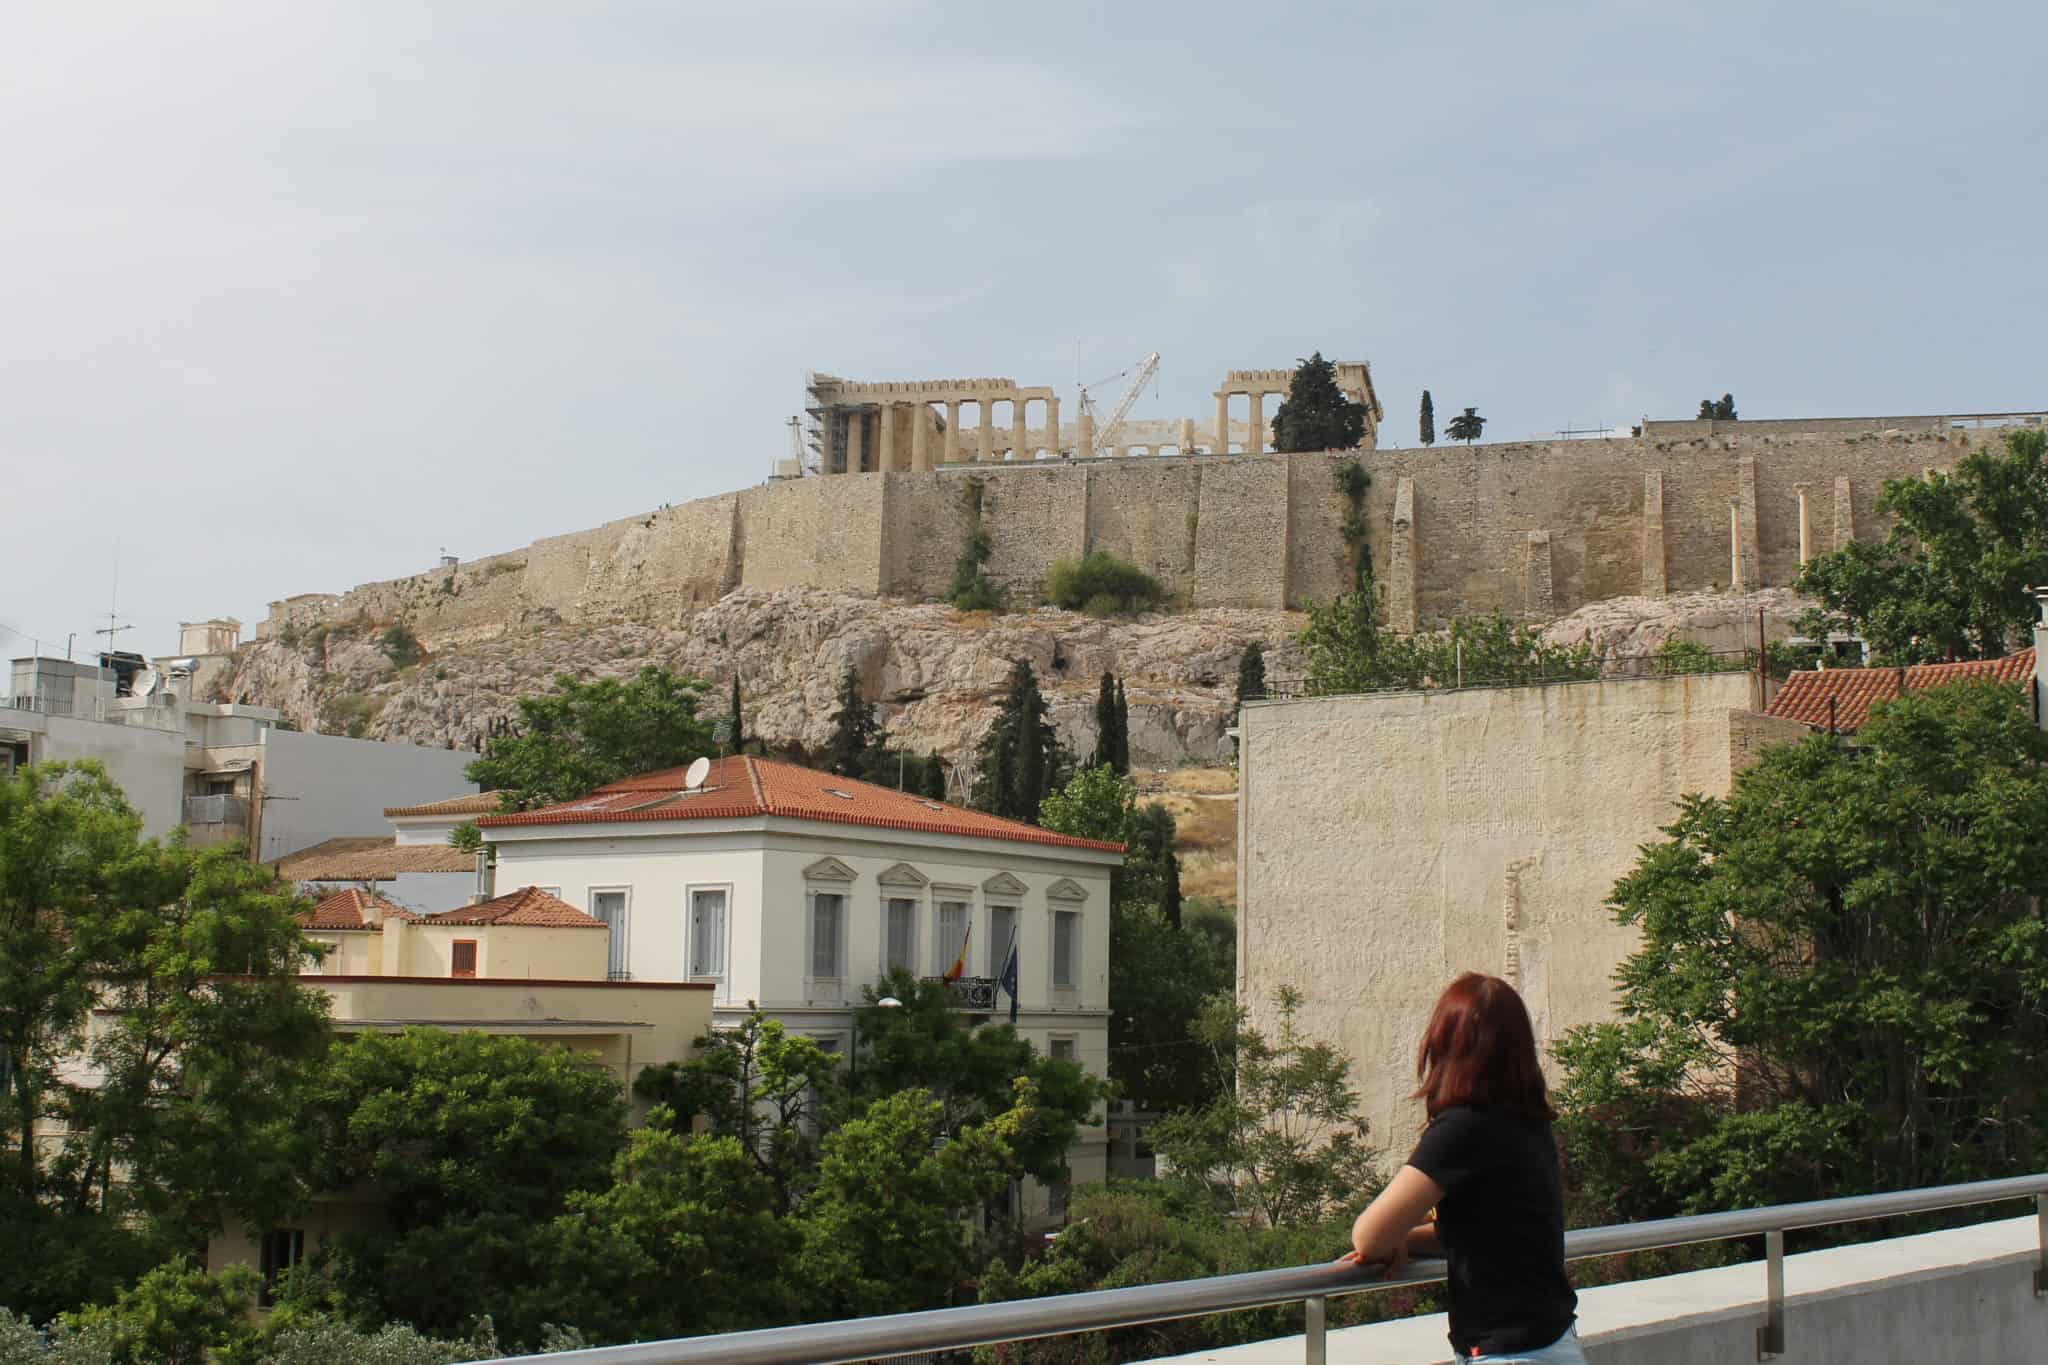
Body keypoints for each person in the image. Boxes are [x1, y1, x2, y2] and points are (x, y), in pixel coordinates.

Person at [1341, 972, 1582, 1363]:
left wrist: (1393, 1239)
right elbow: (1488, 1231)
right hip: (1552, 1343)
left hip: (1511, 1353)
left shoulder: (1464, 1129)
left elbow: (1368, 1237)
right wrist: (1409, 1239)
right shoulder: (1527, 1123)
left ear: (1445, 1046)